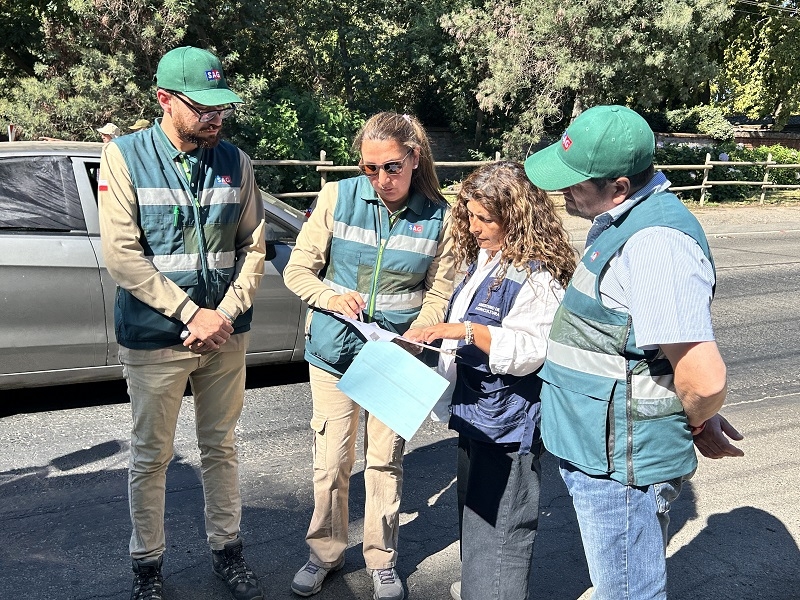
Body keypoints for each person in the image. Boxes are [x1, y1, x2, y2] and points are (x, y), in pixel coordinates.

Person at [523, 105, 745, 599]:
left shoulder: (655, 242)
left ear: (620, 186)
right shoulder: (626, 220)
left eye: (577, 181)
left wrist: (694, 420)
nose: (563, 190)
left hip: (622, 462)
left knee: (626, 592)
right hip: (602, 448)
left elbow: (703, 378)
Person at [98, 46, 266, 600]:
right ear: (165, 100)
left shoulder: (236, 161)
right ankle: (147, 567)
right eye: (204, 108)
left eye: (223, 108)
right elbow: (123, 255)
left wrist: (225, 314)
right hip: (154, 339)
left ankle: (228, 551)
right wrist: (192, 312)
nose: (217, 117)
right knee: (151, 455)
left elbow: (253, 247)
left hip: (224, 335)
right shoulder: (124, 158)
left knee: (221, 447)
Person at [282, 111, 455, 600]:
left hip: (394, 361)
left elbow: (439, 292)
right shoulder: (336, 197)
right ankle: (325, 554)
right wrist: (331, 298)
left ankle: (382, 560)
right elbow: (298, 271)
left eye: (392, 168)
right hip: (334, 355)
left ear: (414, 157)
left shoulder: (439, 215)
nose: (381, 179)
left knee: (384, 462)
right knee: (332, 460)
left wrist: (418, 332)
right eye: (370, 169)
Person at [404, 162, 576, 600]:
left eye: (485, 219)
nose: (474, 227)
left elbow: (530, 351)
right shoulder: (488, 259)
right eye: (470, 215)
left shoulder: (537, 276)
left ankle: (494, 590)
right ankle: (484, 587)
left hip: (506, 424)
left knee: (501, 533)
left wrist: (463, 331)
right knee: (477, 518)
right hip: (477, 415)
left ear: (515, 219)